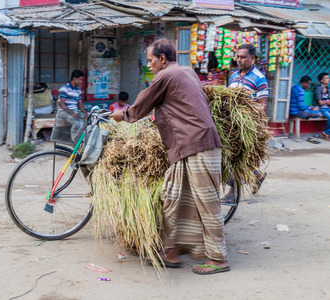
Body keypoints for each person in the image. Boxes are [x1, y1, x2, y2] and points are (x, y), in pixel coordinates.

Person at [110, 39, 229, 275]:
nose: (149, 65)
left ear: (162, 59)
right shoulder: (186, 72)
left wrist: (121, 114)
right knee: (173, 197)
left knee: (206, 204)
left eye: (151, 60)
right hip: (189, 145)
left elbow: (140, 107)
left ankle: (219, 259)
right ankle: (173, 251)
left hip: (198, 144)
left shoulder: (165, 76)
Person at [227, 43, 268, 195]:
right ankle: (257, 175)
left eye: (243, 57)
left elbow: (262, 106)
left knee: (237, 155)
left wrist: (250, 121)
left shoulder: (259, 78)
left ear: (252, 58)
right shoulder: (233, 76)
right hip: (231, 123)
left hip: (247, 125)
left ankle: (232, 192)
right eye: (238, 57)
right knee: (235, 155)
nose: (239, 60)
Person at [314, 72, 330, 141]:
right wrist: (327, 102)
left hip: (327, 107)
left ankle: (326, 132)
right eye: (326, 78)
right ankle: (326, 133)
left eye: (328, 78)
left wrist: (327, 102)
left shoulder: (328, 89)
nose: (328, 79)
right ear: (321, 80)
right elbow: (320, 103)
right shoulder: (318, 89)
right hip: (321, 108)